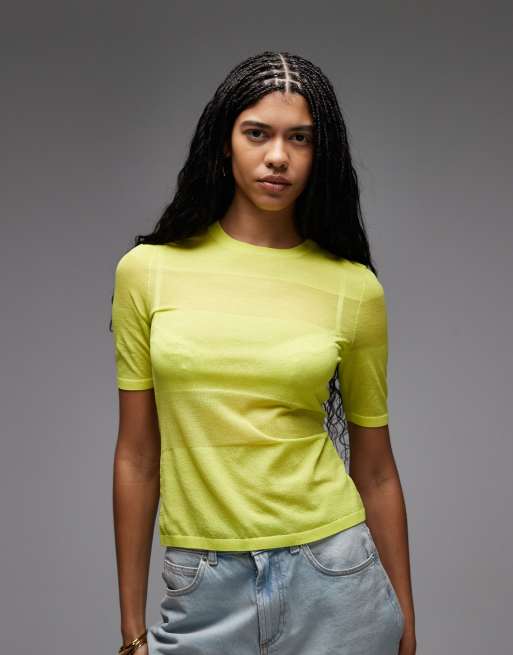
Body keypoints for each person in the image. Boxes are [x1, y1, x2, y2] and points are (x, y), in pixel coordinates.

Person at [110, 50, 416, 655]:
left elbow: (377, 469)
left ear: (319, 154)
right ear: (224, 145)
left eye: (299, 138)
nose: (278, 156)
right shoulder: (147, 272)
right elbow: (138, 456)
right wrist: (131, 629)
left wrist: (406, 621)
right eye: (257, 133)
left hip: (335, 578)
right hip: (203, 583)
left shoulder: (353, 288)